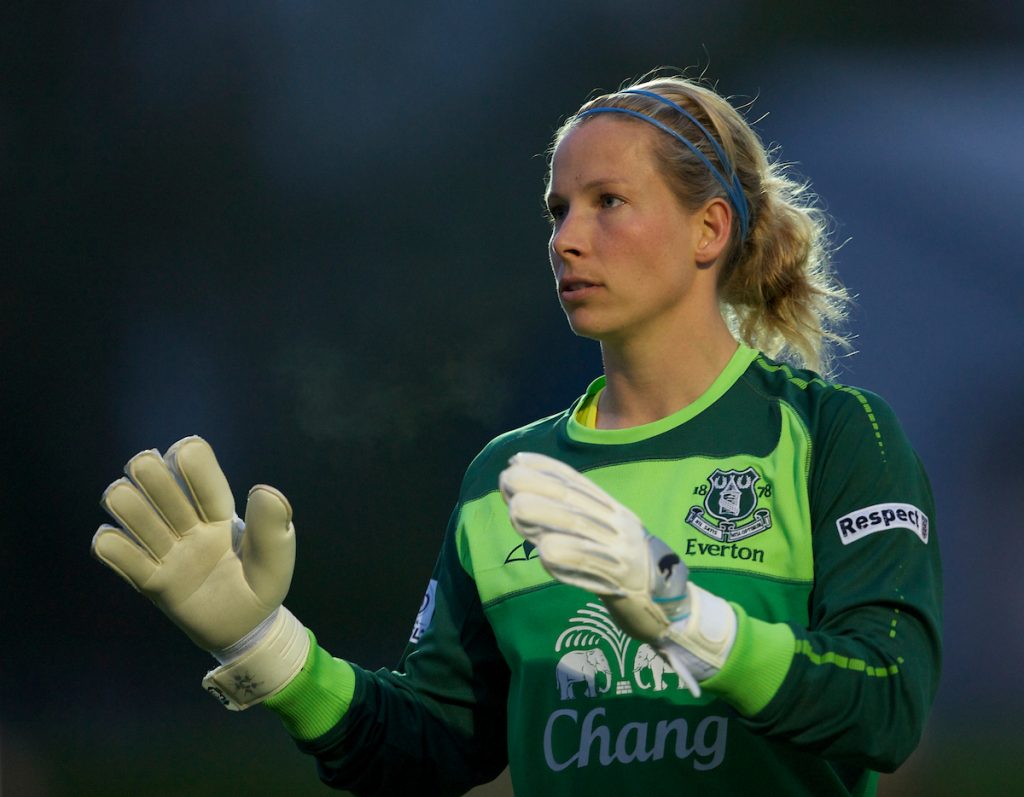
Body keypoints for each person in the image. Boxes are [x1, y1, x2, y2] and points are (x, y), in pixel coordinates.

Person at [92, 72, 942, 796]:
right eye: (558, 209)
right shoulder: (510, 475)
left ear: (709, 229)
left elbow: (886, 703)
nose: (568, 239)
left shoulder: (836, 436)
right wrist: (267, 650)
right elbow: (428, 746)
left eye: (609, 202)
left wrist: (684, 614)